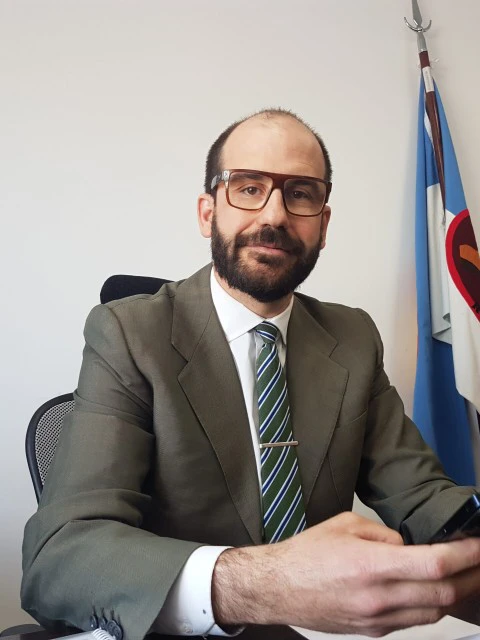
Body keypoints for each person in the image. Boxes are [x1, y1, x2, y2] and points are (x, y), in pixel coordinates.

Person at [22, 109, 480, 640]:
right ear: (207, 212)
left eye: (301, 194)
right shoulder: (128, 333)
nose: (275, 215)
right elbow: (59, 558)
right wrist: (268, 584)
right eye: (248, 188)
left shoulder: (353, 337)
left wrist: (467, 532)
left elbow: (423, 495)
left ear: (323, 224)